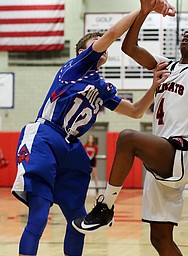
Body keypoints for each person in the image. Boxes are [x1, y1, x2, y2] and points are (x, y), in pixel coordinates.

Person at [11, 1, 175, 255]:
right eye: (95, 42)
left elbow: (134, 112)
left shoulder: (102, 87)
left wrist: (153, 87)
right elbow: (111, 35)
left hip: (71, 146)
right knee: (39, 216)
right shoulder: (76, 67)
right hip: (45, 135)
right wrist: (145, 10)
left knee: (79, 220)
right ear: (80, 52)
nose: (104, 46)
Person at [72, 0, 188, 255]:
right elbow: (129, 47)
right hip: (161, 158)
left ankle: (105, 206)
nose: (187, 35)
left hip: (181, 153)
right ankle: (106, 209)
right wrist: (143, 12)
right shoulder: (165, 66)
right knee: (160, 239)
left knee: (128, 138)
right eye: (185, 32)